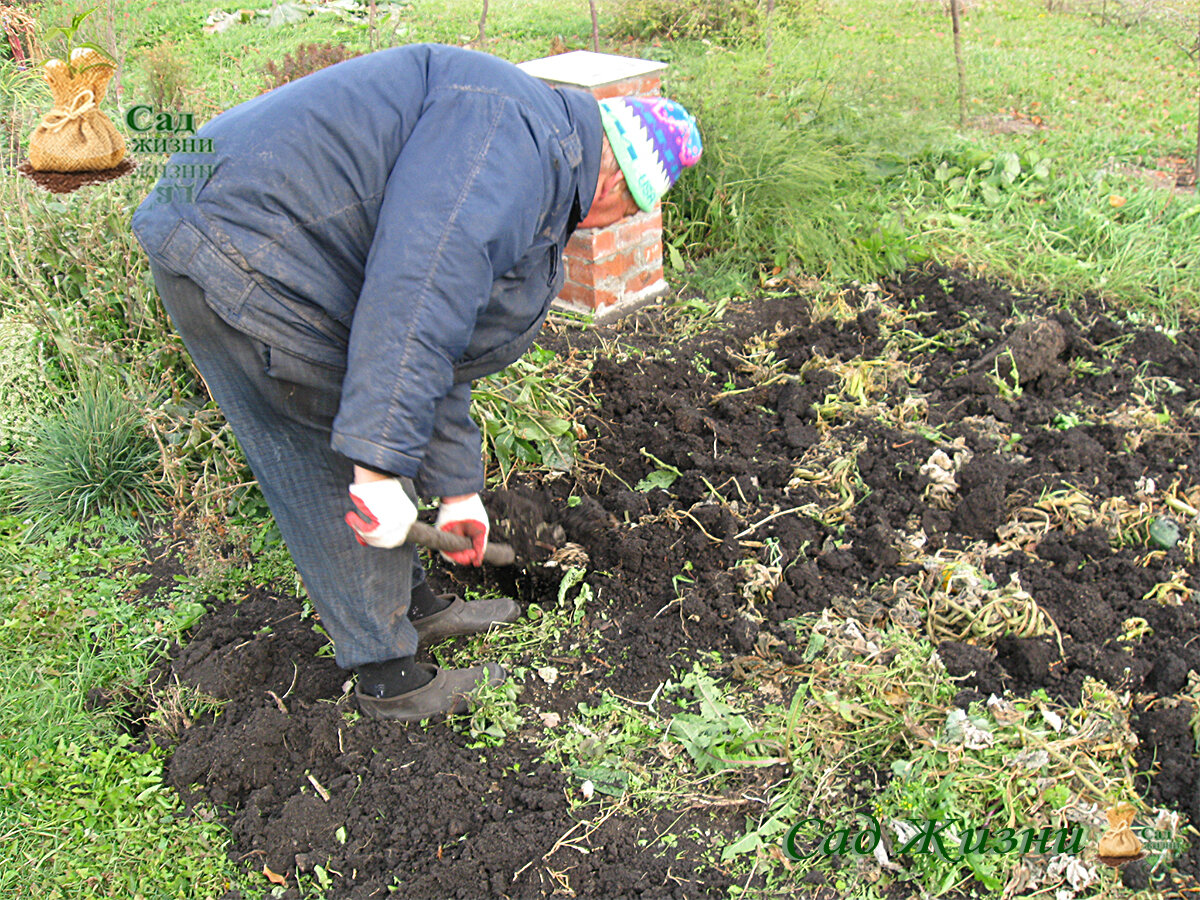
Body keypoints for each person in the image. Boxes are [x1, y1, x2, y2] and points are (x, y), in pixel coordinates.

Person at [132, 43, 702, 722]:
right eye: (631, 211)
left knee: (377, 411)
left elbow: (446, 337)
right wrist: (375, 468)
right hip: (240, 246)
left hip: (271, 238)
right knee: (336, 452)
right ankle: (390, 677)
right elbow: (414, 301)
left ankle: (414, 609)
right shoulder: (509, 143)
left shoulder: (537, 153)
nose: (616, 225)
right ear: (615, 185)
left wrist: (457, 489)